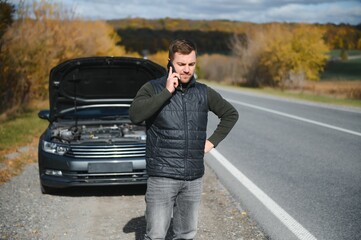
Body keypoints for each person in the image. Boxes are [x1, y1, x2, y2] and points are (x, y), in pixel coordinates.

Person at [129, 39, 238, 240]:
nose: (187, 70)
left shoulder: (203, 92)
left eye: (191, 64)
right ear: (170, 62)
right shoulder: (152, 88)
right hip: (162, 176)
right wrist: (167, 92)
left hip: (193, 178)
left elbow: (230, 114)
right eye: (181, 64)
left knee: (186, 235)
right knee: (155, 236)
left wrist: (211, 142)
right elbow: (135, 115)